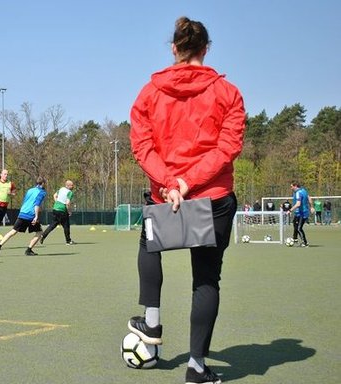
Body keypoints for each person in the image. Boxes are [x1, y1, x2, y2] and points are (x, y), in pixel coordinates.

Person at [128, 17, 245, 384]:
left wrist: (169, 182)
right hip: (213, 197)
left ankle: (151, 323)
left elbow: (141, 146)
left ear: (174, 49)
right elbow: (228, 148)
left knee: (149, 245)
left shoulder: (149, 92)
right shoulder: (229, 93)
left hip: (165, 196)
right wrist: (188, 180)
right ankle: (196, 367)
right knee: (207, 279)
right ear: (206, 49)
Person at [0, 176, 47, 257]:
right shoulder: (42, 192)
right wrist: (36, 216)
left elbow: (25, 201)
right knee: (39, 233)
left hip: (22, 212)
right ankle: (28, 250)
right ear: (42, 183)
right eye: (45, 183)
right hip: (31, 215)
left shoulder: (30, 190)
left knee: (13, 231)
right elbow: (36, 204)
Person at [40, 180, 75, 245]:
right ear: (67, 185)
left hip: (55, 209)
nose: (73, 186)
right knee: (66, 226)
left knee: (53, 225)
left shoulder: (61, 189)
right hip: (62, 210)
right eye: (72, 185)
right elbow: (67, 203)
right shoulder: (70, 192)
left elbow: (54, 195)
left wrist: (57, 202)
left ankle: (43, 235)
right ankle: (68, 241)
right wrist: (69, 211)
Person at [288, 181, 314, 247]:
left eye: (291, 186)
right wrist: (311, 207)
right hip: (299, 213)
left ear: (295, 186)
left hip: (302, 213)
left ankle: (305, 243)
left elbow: (298, 204)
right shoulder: (304, 190)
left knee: (299, 228)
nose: (291, 188)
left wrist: (290, 210)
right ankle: (295, 238)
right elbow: (309, 198)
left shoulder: (298, 193)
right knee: (294, 223)